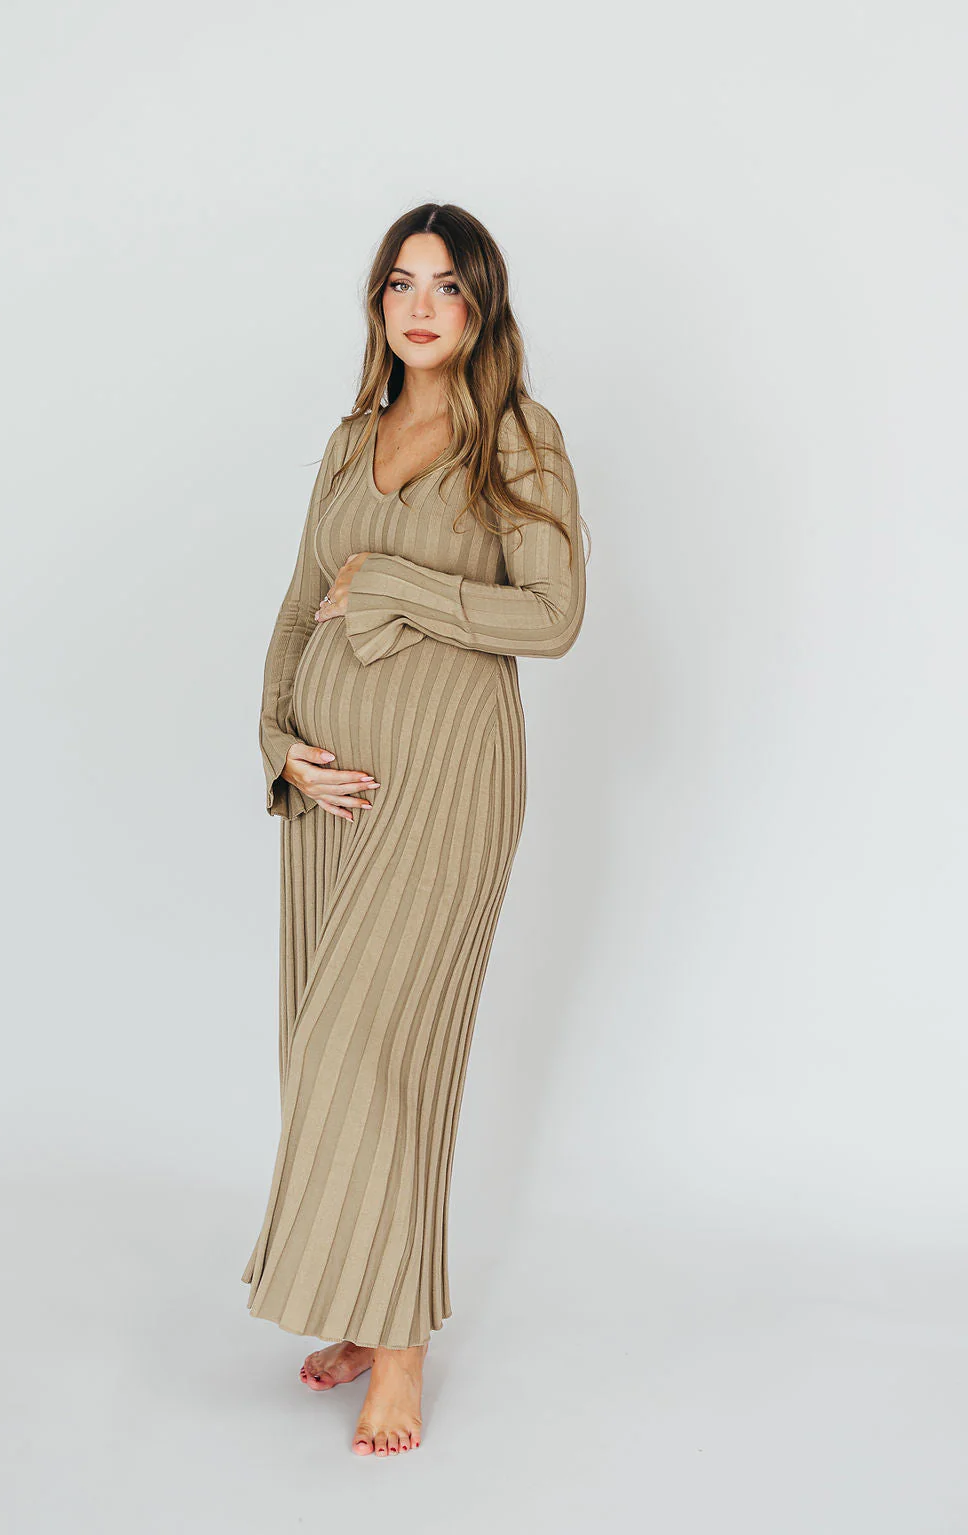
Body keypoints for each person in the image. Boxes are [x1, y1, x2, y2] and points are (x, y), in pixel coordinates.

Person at [240, 201, 589, 1457]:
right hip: (329, 795)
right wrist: (278, 742)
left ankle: (400, 1349)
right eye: (400, 282)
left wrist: (399, 585)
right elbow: (299, 604)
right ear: (378, 304)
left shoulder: (520, 440)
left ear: (481, 305)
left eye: (446, 284)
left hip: (446, 786)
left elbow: (551, 617)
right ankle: (356, 1298)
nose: (421, 304)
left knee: (380, 1053)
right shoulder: (351, 440)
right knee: (315, 1050)